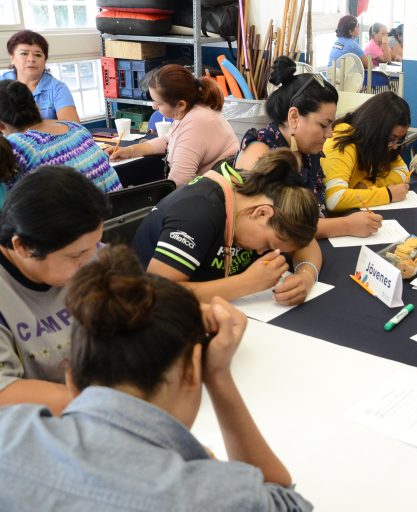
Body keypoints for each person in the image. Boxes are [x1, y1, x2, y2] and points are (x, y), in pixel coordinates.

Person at [0, 245, 313, 511]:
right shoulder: (216, 495)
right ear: (193, 371)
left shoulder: (10, 434)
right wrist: (219, 376)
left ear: (71, 379)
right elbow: (284, 500)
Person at [133, 149, 322, 306]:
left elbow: (305, 243)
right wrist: (247, 283)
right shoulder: (198, 212)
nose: (263, 251)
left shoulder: (258, 193)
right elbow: (158, 292)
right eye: (268, 244)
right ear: (262, 213)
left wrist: (306, 276)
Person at [0, 166, 110, 415]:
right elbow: (4, 392)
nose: (92, 259)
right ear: (23, 247)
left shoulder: (90, 255)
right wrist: (100, 401)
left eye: (95, 244)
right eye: (77, 255)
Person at [236, 57, 381, 238]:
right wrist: (346, 225)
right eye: (323, 125)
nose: (329, 134)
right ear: (294, 117)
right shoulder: (260, 153)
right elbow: (279, 226)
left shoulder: (308, 152)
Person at [107, 64, 239, 188]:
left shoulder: (196, 123)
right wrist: (129, 151)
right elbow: (167, 140)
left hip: (215, 193)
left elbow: (179, 182)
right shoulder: (188, 112)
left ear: (180, 104)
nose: (154, 106)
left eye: (158, 103)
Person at [0, 79, 122, 200]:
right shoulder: (75, 127)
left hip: (84, 217)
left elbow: (10, 203)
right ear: (37, 106)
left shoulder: (16, 146)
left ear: (1, 126)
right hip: (121, 212)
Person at [322, 91, 411, 212]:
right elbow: (334, 199)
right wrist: (388, 194)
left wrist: (367, 184)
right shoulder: (342, 141)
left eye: (399, 139)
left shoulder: (381, 144)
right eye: (391, 139)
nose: (395, 147)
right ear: (375, 130)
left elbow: (404, 172)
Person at [1, 30, 79, 122]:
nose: (31, 59)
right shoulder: (1, 83)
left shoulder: (58, 88)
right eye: (24, 53)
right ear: (12, 58)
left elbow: (73, 127)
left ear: (45, 60)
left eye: (38, 55)